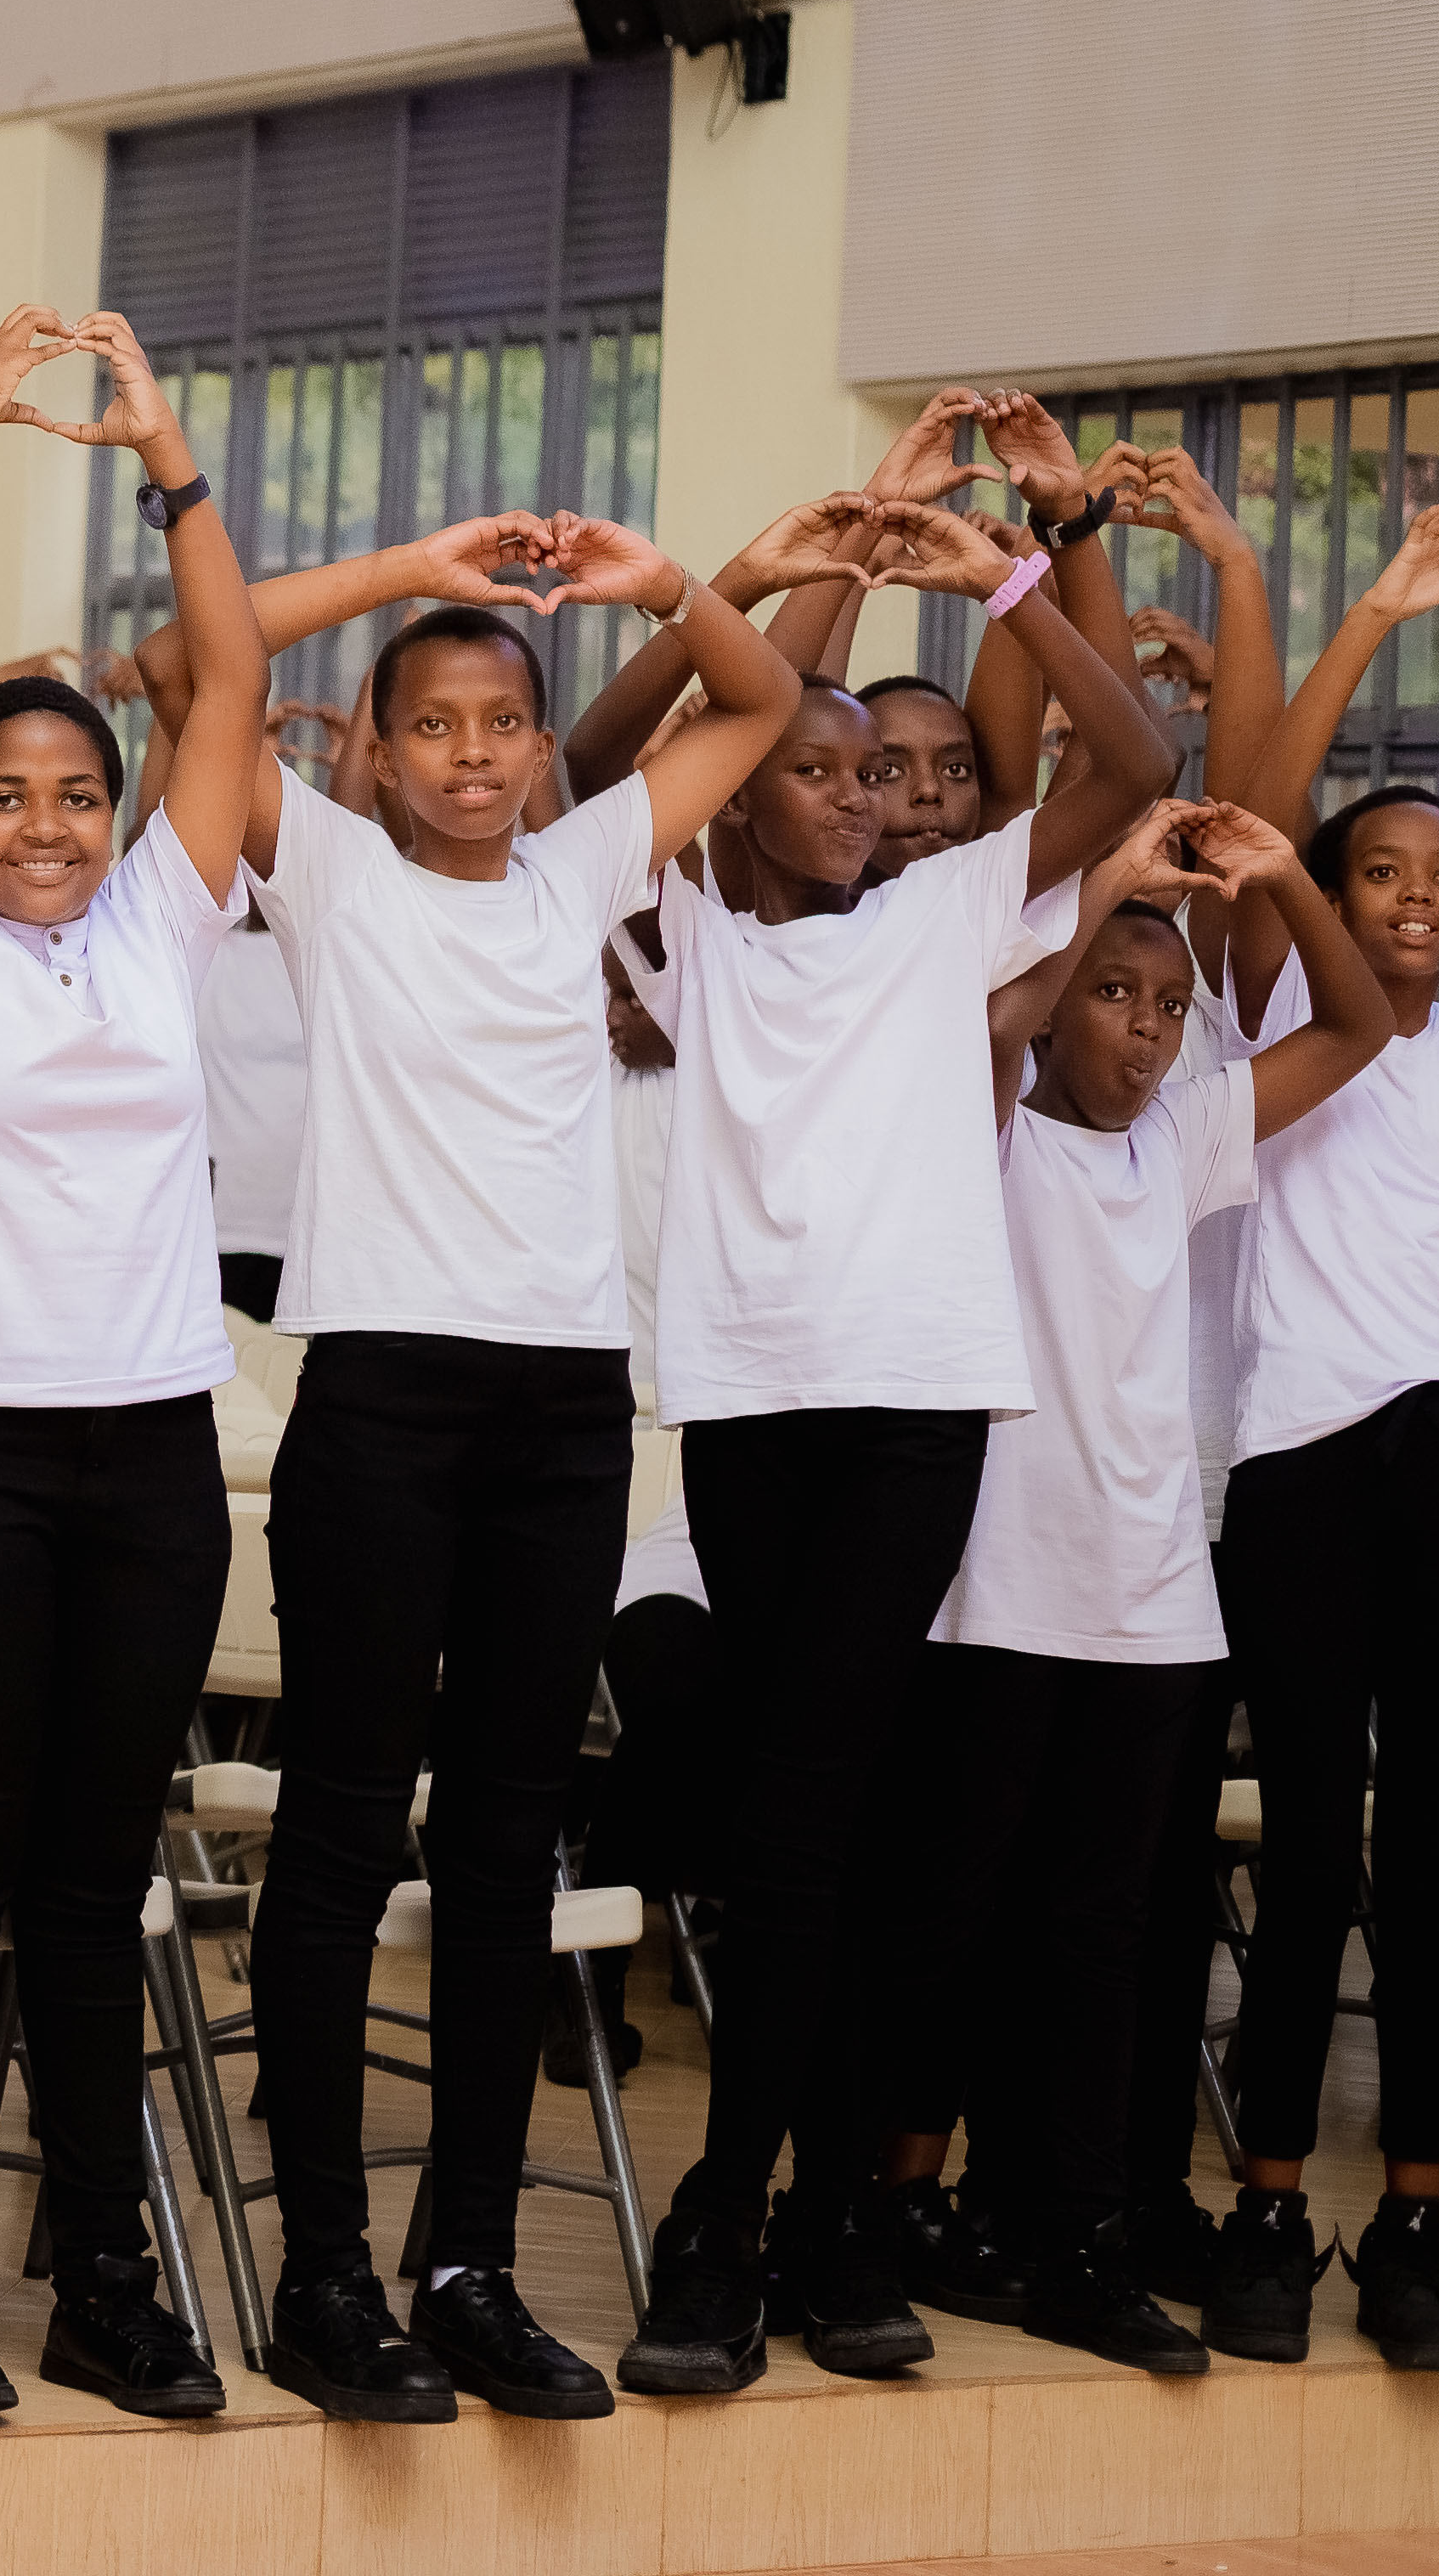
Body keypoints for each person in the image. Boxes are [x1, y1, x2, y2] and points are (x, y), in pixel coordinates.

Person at [135, 510, 796, 2423]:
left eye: (504, 721)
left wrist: (656, 587)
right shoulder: (331, 873)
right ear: (375, 742)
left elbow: (754, 698)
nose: (476, 755)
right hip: (381, 1399)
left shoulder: (579, 864)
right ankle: (324, 2273)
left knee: (509, 1845)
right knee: (347, 1831)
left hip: (561, 1412)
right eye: (432, 724)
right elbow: (193, 660)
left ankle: (469, 2266)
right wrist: (414, 564)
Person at [556, 463, 1171, 2392]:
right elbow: (598, 755)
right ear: (743, 789)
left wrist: (1004, 575)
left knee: (815, 1813)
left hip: (913, 1414)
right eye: (813, 769)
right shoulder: (694, 936)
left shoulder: (950, 915)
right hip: (750, 1413)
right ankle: (797, 2219)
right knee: (797, 1823)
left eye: (877, 775)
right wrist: (767, 576)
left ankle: (744, 2218)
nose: (856, 795)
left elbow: (1138, 758)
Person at [0, 307, 266, 2426]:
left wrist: (164, 451)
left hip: (146, 1458)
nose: (39, 821)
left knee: (95, 1892)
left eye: (73, 793)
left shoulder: (163, 923)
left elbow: (229, 677)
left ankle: (102, 2278)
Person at [855, 799, 1385, 2382]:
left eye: (1166, 1005)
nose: (1147, 1031)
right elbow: (991, 1015)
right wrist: (1107, 889)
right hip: (996, 1592)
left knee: (1102, 1934)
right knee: (952, 1914)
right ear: (1057, 1000)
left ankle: (1077, 2237)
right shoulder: (990, 1127)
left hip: (1153, 1603)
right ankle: (900, 2204)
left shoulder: (1188, 1139)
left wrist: (1282, 875)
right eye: (1112, 994)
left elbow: (1355, 1023)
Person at [1193, 500, 1439, 2363]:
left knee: (1432, 1862)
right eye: (1380, 872)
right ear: (1330, 901)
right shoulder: (1294, 1006)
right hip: (1300, 1463)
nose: (1413, 897)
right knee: (1304, 1859)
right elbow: (1259, 806)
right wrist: (1370, 612)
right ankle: (1269, 2208)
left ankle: (1418, 2218)